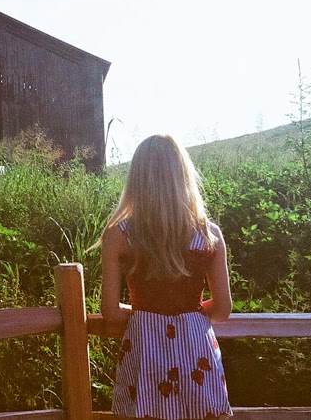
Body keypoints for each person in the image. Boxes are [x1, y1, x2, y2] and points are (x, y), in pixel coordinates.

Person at [96, 134, 233, 419]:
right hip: (196, 350)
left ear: (136, 179)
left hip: (145, 349)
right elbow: (222, 309)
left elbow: (110, 312)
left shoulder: (119, 235)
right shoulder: (210, 235)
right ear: (183, 176)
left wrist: (147, 317)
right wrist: (187, 315)